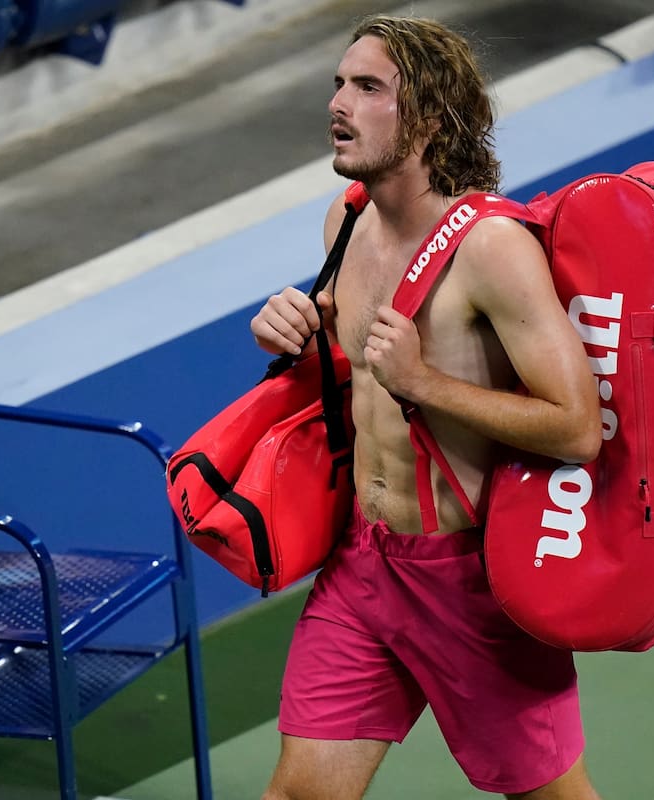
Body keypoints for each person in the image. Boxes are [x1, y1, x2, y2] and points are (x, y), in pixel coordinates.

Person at [249, 15, 603, 800]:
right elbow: (359, 379)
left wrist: (426, 384)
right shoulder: (346, 221)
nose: (339, 103)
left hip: (471, 583)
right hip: (362, 566)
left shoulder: (491, 248)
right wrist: (296, 334)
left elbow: (577, 428)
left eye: (368, 87)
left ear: (429, 119)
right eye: (339, 83)